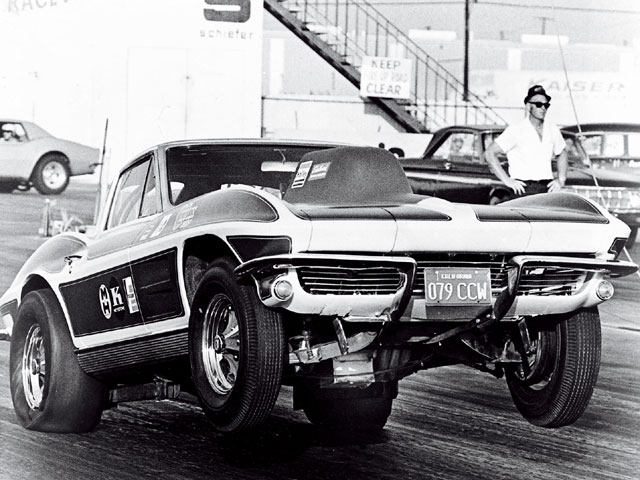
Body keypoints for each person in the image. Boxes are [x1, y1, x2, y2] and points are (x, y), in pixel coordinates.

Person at [484, 85, 567, 196]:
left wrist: (561, 180)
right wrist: (507, 181)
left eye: (546, 105)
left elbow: (562, 152)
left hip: (546, 188)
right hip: (523, 189)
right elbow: (490, 153)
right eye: (538, 105)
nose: (543, 108)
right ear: (528, 106)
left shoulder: (552, 129)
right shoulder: (516, 129)